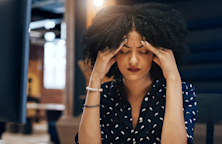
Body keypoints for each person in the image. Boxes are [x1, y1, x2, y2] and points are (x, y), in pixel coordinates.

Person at [75, 2, 198, 144]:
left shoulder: (183, 92)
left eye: (143, 51)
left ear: (156, 53)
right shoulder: (103, 94)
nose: (133, 60)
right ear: (111, 53)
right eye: (124, 50)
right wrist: (95, 78)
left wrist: (173, 78)